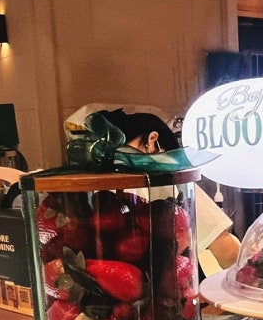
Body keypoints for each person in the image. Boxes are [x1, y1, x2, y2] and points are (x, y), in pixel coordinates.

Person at [97, 108, 240, 275]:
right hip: (172, 285)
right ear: (152, 140)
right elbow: (228, 252)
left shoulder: (93, 183)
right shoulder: (164, 179)